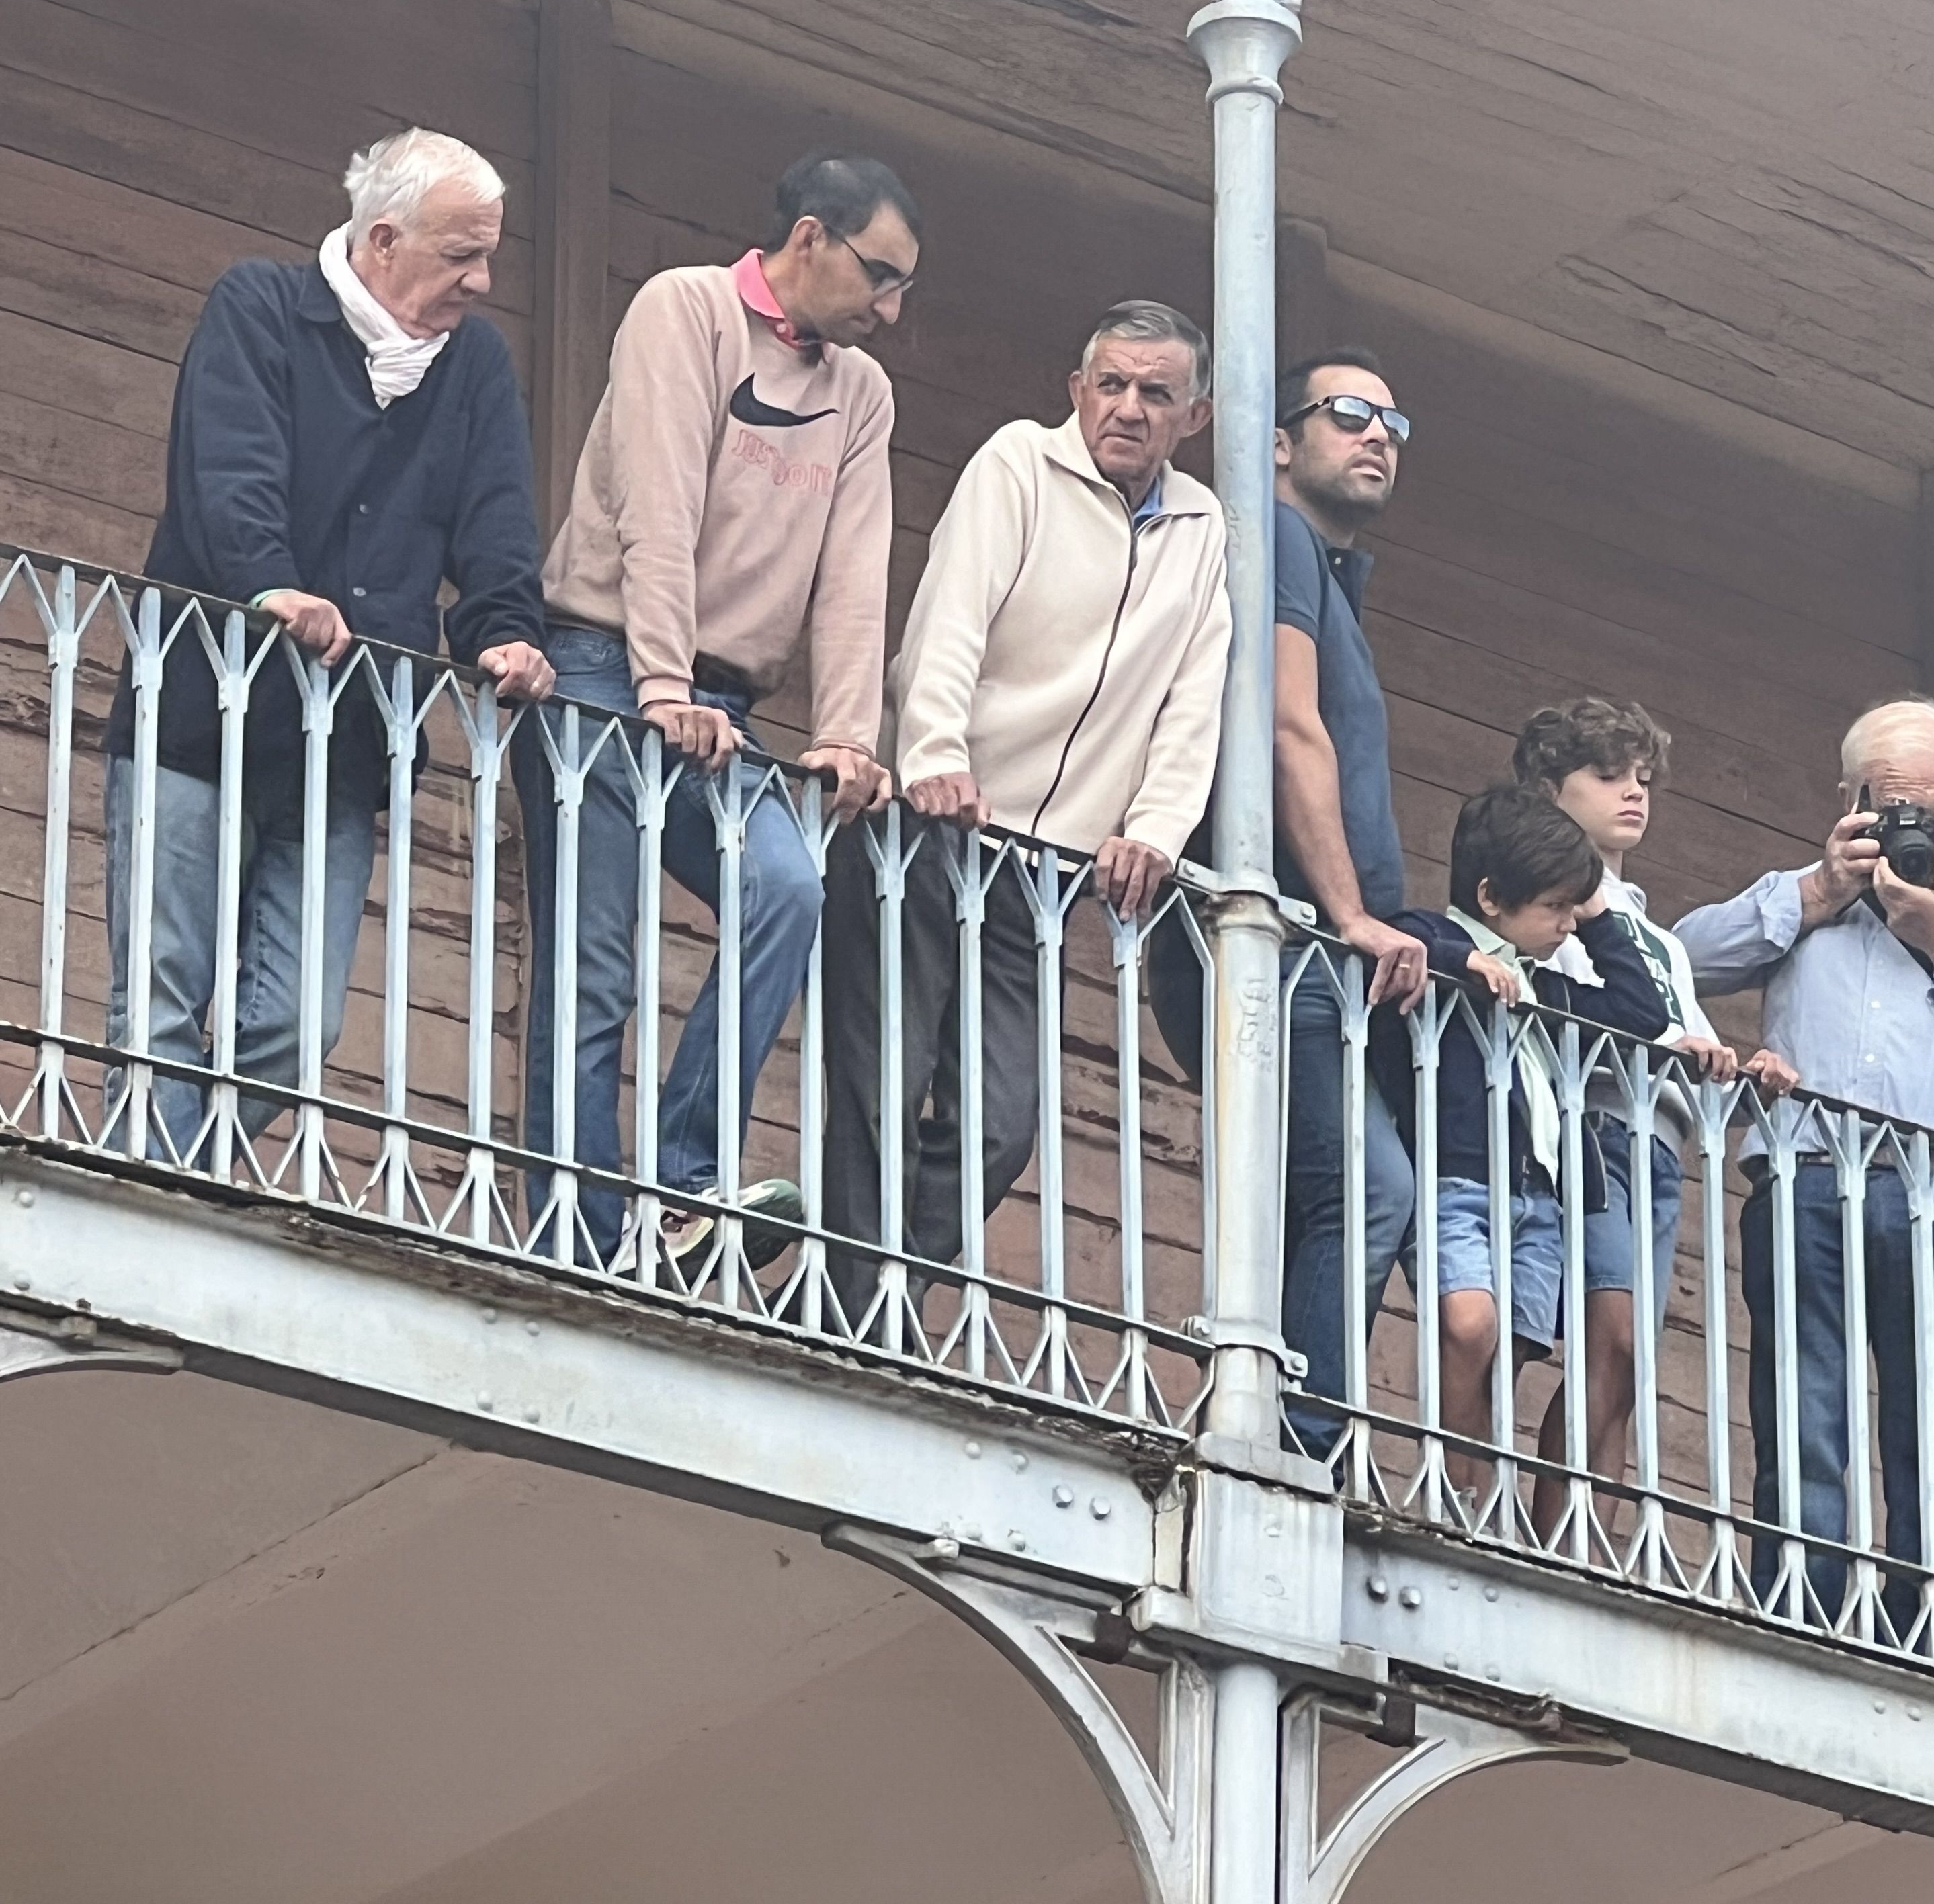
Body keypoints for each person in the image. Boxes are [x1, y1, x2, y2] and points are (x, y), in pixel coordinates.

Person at [103, 126, 551, 1162]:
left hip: (343, 741)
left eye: (490, 255)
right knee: (165, 1002)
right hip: (195, 710)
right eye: (461, 255)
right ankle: (167, 1205)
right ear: (383, 240)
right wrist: (271, 584)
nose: (482, 280)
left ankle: (185, 1184)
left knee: (299, 1028)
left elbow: (497, 532)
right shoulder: (260, 307)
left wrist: (509, 633)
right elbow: (229, 481)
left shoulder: (475, 366)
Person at [525, 151, 913, 1266]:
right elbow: (657, 503)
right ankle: (579, 1231)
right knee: (595, 963)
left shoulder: (860, 393)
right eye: (878, 275)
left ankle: (688, 1179)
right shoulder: (683, 309)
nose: (888, 308)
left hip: (727, 703)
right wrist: (654, 682)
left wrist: (847, 730)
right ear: (810, 238)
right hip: (603, 666)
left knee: (789, 883)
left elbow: (854, 573)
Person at [818, 301, 1229, 1319]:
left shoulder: (1201, 526)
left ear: (1197, 417)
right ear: (1077, 389)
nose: (1127, 410)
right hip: (932, 828)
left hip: (1044, 875)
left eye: (1156, 394)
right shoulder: (1018, 465)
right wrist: (934, 759)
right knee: (884, 1077)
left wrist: (1158, 831)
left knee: (1002, 1117)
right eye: (1111, 385)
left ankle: (883, 1294)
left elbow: (1193, 696)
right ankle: (857, 1300)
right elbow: (949, 619)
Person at [1674, 696, 1934, 1620]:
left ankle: (1933, 1620)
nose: (1913, 829)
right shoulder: (1804, 895)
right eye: (1891, 806)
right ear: (1848, 796)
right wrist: (1815, 895)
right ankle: (1802, 1600)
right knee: (1802, 1410)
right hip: (1807, 1176)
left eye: (1933, 814)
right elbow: (1680, 960)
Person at [1152, 348, 1425, 1453]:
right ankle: (1296, 1441)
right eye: (1350, 412)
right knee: (1368, 1188)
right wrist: (1354, 912)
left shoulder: (1319, 567)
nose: (1379, 434)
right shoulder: (1273, 543)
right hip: (1277, 935)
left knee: (1319, 1193)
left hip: (1306, 947)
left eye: (1394, 419)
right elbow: (1283, 724)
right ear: (1277, 439)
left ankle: (1279, 1422)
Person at [1374, 785, 1667, 1454]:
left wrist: (1596, 911)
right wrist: (1462, 960)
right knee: (1470, 1325)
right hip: (1459, 1182)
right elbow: (1394, 937)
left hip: (1541, 1198)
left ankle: (1474, 1508)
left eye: (1572, 909)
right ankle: (1444, 1487)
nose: (1566, 923)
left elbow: (1642, 1012)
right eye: (1555, 907)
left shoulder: (1546, 987)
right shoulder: (1434, 941)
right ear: (1489, 898)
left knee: (1506, 1355)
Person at [1514, 697, 1740, 1495]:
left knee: (1629, 1355)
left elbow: (1687, 1039)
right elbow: (1558, 1016)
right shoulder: (1547, 913)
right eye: (1608, 776)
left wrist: (1743, 1071)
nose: (1633, 793)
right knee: (1606, 1336)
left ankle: (1585, 1540)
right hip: (1597, 1134)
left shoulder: (1663, 942)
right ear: (1551, 789)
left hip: (1661, 1147)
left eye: (1642, 778)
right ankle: (1552, 1535)